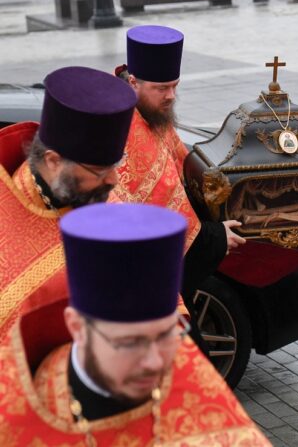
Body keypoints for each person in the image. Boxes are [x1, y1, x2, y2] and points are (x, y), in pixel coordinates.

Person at [0, 203, 271, 444]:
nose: (156, 364)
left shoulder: (191, 375)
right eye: (131, 342)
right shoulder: (12, 409)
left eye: (167, 336)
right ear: (77, 326)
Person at [111, 25, 245, 338]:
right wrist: (215, 238)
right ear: (133, 83)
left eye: (175, 86)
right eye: (162, 88)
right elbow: (155, 217)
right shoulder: (124, 130)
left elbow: (184, 171)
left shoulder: (152, 114)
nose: (171, 96)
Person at [0, 66, 136, 336]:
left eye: (115, 165)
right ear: (53, 161)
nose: (115, 181)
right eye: (100, 170)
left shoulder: (95, 195)